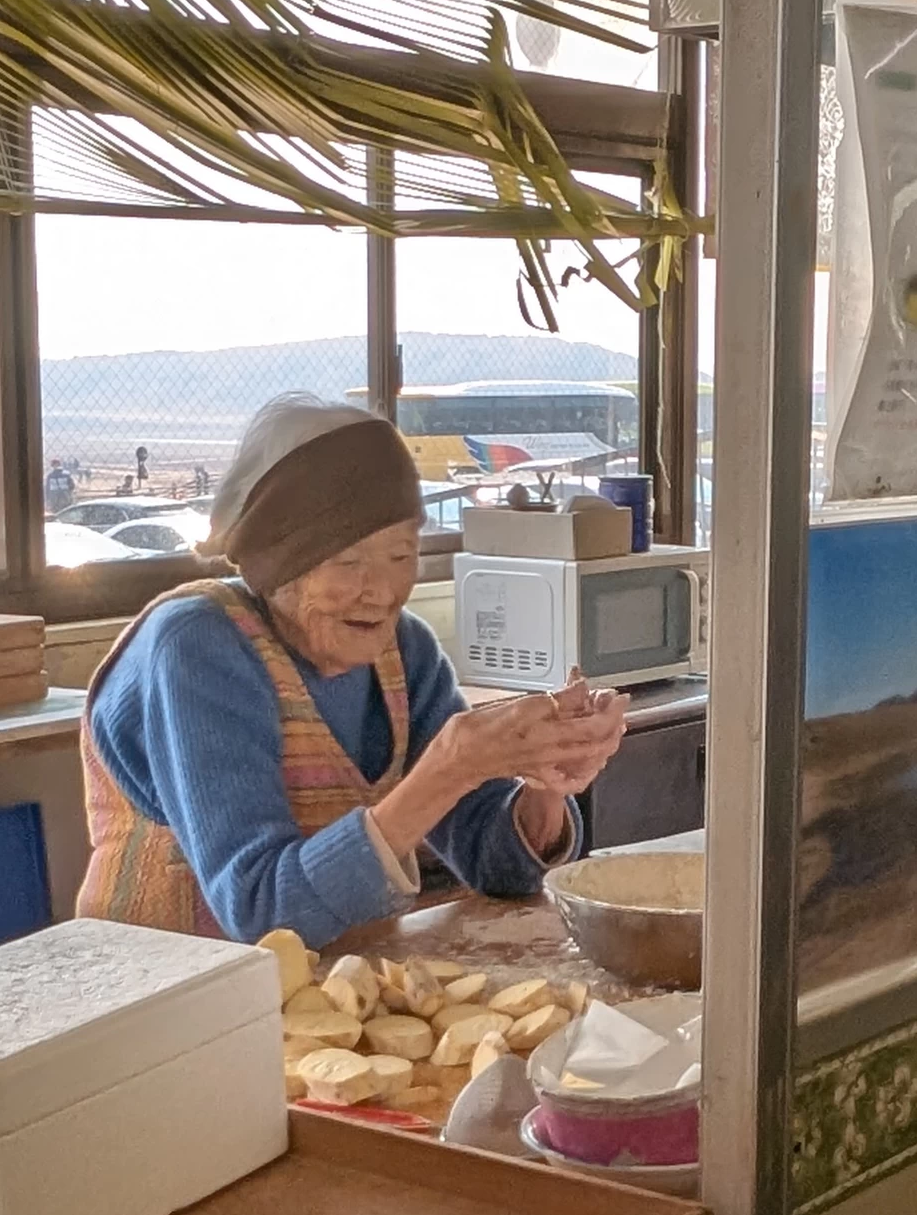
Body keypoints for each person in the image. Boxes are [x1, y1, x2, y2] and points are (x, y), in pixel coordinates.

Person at [77, 394, 628, 944]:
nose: (382, 592)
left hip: (329, 980)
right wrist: (449, 769)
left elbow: (499, 870)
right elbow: (260, 913)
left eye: (401, 555)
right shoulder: (197, 646)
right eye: (348, 562)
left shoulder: (405, 651)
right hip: (163, 981)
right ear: (278, 562)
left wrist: (544, 783)